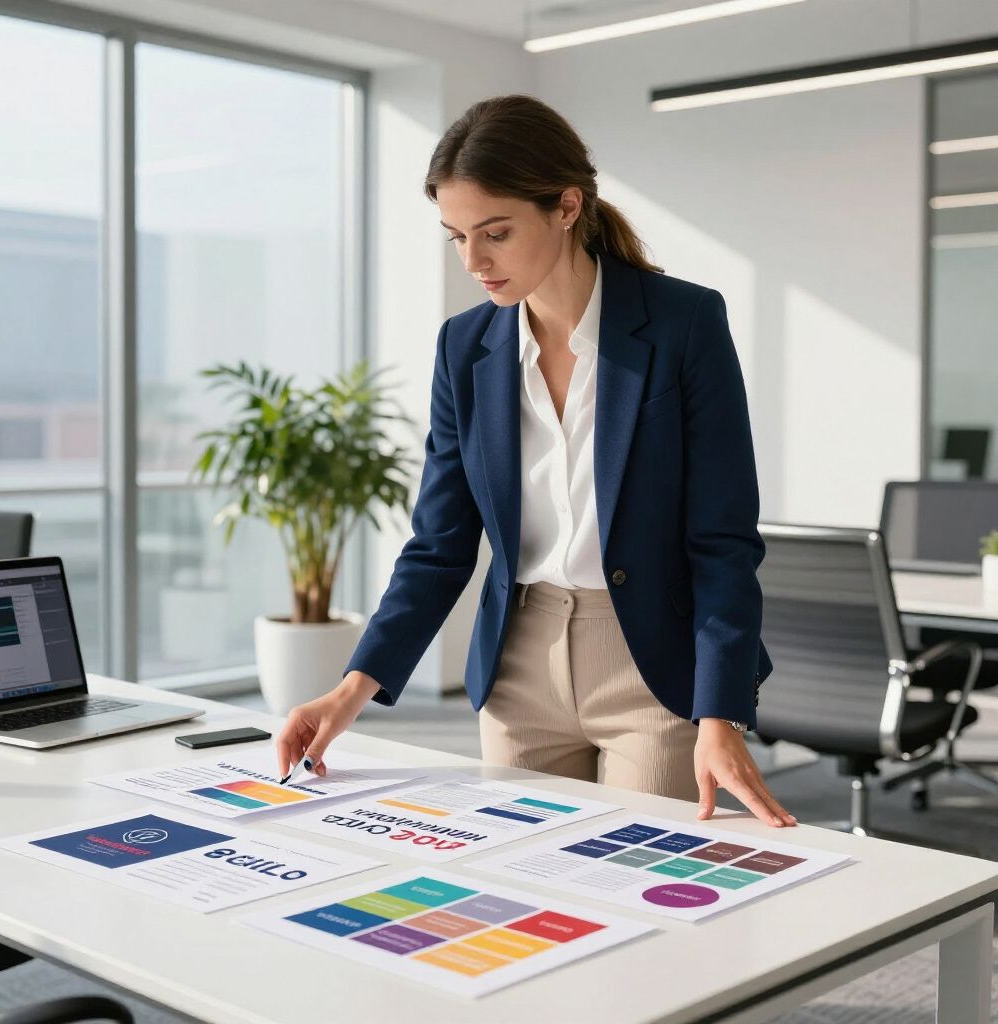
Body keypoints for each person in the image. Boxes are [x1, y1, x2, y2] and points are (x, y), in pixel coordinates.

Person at [276, 94, 796, 828]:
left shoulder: (684, 325)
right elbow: (439, 544)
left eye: (495, 232)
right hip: (519, 668)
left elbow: (722, 540)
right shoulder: (466, 348)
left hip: (651, 667)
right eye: (455, 237)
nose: (473, 261)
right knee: (519, 893)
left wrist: (721, 713)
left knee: (640, 894)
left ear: (565, 207)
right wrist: (351, 688)